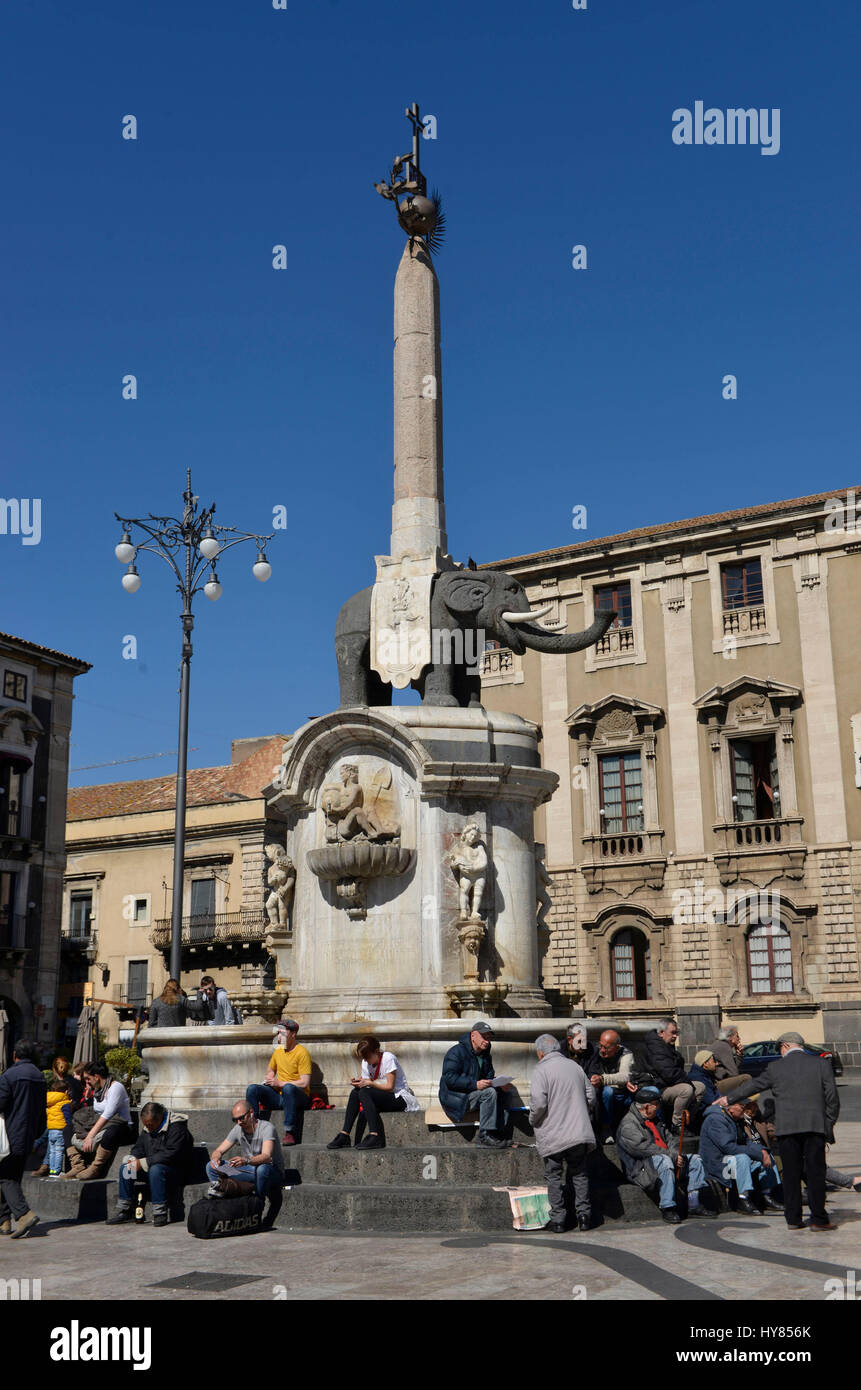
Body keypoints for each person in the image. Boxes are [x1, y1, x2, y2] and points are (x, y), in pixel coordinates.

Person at [720, 1032, 840, 1232]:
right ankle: (819, 1219)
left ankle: (793, 1219)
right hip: (814, 1127)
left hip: (786, 1130)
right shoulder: (821, 1065)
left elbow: (753, 1085)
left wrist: (729, 1099)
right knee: (815, 1174)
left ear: (785, 1046)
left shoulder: (775, 1067)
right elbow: (832, 1098)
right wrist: (827, 1124)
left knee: (791, 1174)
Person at [529, 1034, 596, 1233]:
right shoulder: (575, 1066)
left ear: (540, 1052)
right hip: (578, 1132)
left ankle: (558, 1220)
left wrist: (532, 1119)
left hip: (554, 1134)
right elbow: (591, 1097)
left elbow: (539, 1104)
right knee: (580, 1174)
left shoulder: (541, 1069)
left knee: (554, 1176)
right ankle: (584, 1216)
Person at [617, 1086, 713, 1223]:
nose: (658, 1108)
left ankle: (693, 1204)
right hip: (641, 1169)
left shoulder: (656, 1120)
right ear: (647, 1107)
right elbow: (642, 1148)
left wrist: (676, 1155)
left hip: (665, 1158)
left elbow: (671, 1140)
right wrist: (670, 1156)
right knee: (664, 1161)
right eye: (656, 1105)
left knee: (695, 1160)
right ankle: (668, 1207)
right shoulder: (629, 1125)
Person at [107, 1101, 195, 1227]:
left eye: (150, 1125)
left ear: (160, 1118)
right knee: (126, 1168)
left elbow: (172, 1154)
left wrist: (144, 1162)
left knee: (156, 1170)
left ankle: (160, 1213)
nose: (148, 1128)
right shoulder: (148, 1128)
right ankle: (125, 1210)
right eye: (146, 1125)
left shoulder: (177, 1128)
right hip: (153, 1166)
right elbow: (138, 1148)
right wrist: (133, 1158)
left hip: (175, 1170)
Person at [328, 1035, 420, 1149]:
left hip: (399, 1096)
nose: (366, 1060)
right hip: (383, 1095)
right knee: (356, 1092)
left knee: (363, 1093)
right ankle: (345, 1134)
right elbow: (367, 1083)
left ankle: (375, 1135)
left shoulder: (388, 1058)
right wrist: (360, 1082)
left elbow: (390, 1087)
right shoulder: (366, 1062)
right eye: (364, 1058)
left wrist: (370, 1084)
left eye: (367, 1057)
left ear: (376, 1051)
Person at [206, 1099, 284, 1229]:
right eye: (235, 1119)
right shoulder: (238, 1129)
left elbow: (266, 1157)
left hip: (271, 1173)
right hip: (249, 1171)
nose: (239, 1122)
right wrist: (216, 1159)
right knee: (211, 1167)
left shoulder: (266, 1128)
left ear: (251, 1113)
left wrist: (246, 1160)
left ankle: (258, 1205)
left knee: (262, 1170)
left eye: (241, 1118)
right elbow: (219, 1150)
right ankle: (224, 1195)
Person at [698, 1100, 783, 1214]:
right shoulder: (716, 1120)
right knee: (743, 1158)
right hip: (717, 1162)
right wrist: (759, 1154)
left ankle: (766, 1195)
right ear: (731, 1108)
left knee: (766, 1155)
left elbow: (747, 1142)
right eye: (743, 1107)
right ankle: (743, 1199)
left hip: (730, 1158)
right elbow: (728, 1147)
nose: (745, 1111)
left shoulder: (737, 1120)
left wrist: (763, 1151)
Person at [439, 1021, 513, 1148]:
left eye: (489, 1038)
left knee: (502, 1092)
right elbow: (449, 1079)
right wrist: (475, 1084)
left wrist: (499, 1084)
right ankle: (484, 1136)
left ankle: (497, 1135)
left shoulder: (485, 1056)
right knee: (489, 1093)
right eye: (484, 1037)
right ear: (473, 1036)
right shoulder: (456, 1052)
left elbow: (488, 1078)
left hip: (473, 1094)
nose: (487, 1041)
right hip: (455, 1098)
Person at [0, 1040, 47, 1239]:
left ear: (14, 1056)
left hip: (10, 1134)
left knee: (5, 1177)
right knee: (12, 1175)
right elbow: (42, 1110)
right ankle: (4, 1221)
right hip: (29, 1134)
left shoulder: (9, 1076)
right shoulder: (39, 1076)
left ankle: (23, 1214)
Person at [246, 1019, 312, 1146]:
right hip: (279, 1096)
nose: (279, 1036)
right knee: (252, 1089)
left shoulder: (302, 1053)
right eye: (278, 1033)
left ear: (293, 1034)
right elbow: (270, 1070)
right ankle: (252, 1128)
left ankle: (290, 1132)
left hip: (298, 1096)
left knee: (288, 1088)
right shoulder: (278, 1051)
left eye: (282, 1033)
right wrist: (269, 1079)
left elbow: (304, 1082)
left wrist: (280, 1083)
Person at [64, 1062, 133, 1181]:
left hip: (119, 1125)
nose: (86, 1082)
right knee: (67, 1129)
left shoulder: (116, 1087)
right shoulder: (97, 1090)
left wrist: (90, 1135)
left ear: (96, 1077)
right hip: (100, 1124)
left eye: (88, 1079)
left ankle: (96, 1167)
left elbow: (108, 1114)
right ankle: (77, 1165)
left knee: (111, 1132)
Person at [637, 1019, 705, 1130]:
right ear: (661, 1033)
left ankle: (687, 1122)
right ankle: (677, 1125)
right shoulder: (656, 1047)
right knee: (687, 1089)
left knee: (700, 1087)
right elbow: (669, 1073)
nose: (675, 1036)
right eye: (672, 1032)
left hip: (668, 1084)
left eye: (676, 1033)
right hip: (658, 1087)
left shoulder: (665, 1044)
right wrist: (689, 1084)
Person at [585, 1029, 633, 1142]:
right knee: (608, 1092)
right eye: (600, 1045)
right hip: (603, 1092)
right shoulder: (596, 1052)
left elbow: (624, 1077)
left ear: (616, 1047)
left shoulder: (626, 1054)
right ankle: (605, 1129)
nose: (602, 1050)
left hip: (622, 1092)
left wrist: (602, 1079)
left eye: (606, 1048)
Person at [707, 1026, 753, 1094]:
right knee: (746, 1078)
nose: (739, 1038)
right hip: (713, 1085)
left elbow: (733, 1067)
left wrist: (739, 1055)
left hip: (712, 1082)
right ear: (730, 1037)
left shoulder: (720, 1044)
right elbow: (734, 1073)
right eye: (737, 1036)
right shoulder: (724, 1047)